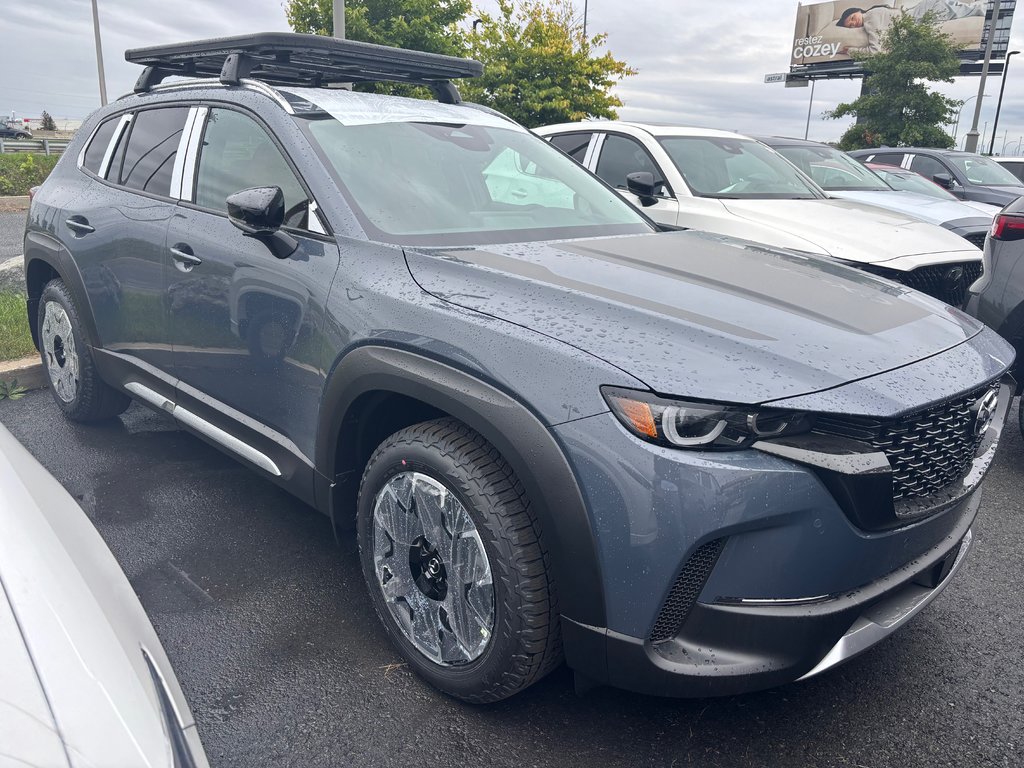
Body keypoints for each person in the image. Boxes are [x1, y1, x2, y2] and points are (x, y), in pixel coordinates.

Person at [836, 1, 984, 54]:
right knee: (974, 9)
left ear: (858, 11)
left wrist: (852, 51)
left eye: (852, 18)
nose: (853, 24)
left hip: (923, 13)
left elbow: (876, 52)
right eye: (850, 26)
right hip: (923, 10)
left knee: (978, 10)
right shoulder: (874, 14)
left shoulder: (870, 18)